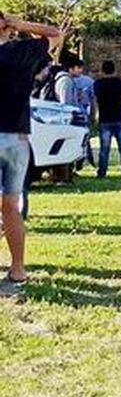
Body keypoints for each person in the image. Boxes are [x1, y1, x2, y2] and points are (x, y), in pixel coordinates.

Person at [0, 17, 54, 297]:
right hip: (17, 138)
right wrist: (19, 23)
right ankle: (18, 268)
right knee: (11, 207)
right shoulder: (24, 52)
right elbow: (55, 34)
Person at [93, 60, 121, 179]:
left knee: (104, 148)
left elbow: (95, 100)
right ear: (114, 70)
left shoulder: (98, 84)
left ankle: (102, 171)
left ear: (102, 71)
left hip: (105, 119)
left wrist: (94, 115)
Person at [66, 58, 96, 167]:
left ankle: (81, 161)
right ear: (71, 68)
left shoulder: (87, 81)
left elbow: (93, 99)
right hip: (76, 114)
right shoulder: (67, 81)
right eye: (78, 68)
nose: (81, 70)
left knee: (83, 139)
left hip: (81, 113)